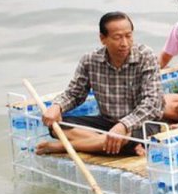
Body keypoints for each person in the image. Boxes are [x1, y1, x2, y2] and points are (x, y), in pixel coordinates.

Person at [37, 11, 164, 156]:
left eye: (129, 36)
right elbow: (75, 94)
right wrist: (57, 106)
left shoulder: (146, 56)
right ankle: (108, 144)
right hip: (107, 122)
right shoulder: (90, 60)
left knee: (125, 138)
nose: (124, 43)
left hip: (140, 125)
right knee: (57, 126)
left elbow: (152, 103)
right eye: (117, 37)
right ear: (103, 38)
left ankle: (64, 146)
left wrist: (124, 125)